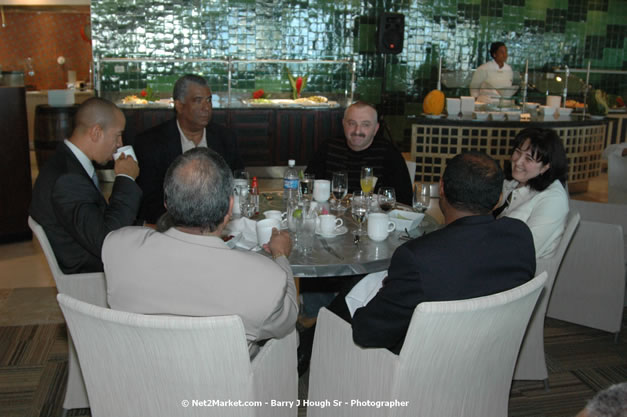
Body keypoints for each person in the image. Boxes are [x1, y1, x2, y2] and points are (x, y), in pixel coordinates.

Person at [298, 151, 535, 373]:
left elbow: (368, 333)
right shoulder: (520, 236)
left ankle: (304, 351)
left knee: (347, 302)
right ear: (499, 198)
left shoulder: (419, 257)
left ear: (441, 189)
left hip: (423, 368)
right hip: (489, 357)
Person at [102, 148, 298, 357]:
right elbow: (288, 319)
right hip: (224, 385)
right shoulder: (265, 279)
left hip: (141, 376)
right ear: (230, 207)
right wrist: (280, 256)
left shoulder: (117, 247)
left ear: (167, 204)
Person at [29, 97, 142, 274]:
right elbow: (107, 241)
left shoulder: (68, 163)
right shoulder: (67, 179)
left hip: (92, 256)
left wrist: (143, 225)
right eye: (117, 135)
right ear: (96, 132)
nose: (120, 144)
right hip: (90, 273)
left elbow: (97, 220)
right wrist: (126, 178)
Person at [134, 74, 244, 224]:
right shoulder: (151, 143)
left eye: (209, 100)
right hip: (172, 228)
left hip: (219, 224)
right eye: (198, 101)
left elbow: (237, 183)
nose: (206, 108)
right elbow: (148, 200)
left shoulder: (225, 138)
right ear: (179, 105)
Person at [305, 101, 413, 205]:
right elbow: (307, 188)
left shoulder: (389, 154)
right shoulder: (328, 147)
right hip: (332, 218)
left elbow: (404, 201)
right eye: (352, 123)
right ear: (343, 124)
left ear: (375, 129)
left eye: (365, 125)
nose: (357, 131)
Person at [493, 127, 569, 259]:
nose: (518, 162)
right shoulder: (511, 182)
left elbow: (526, 250)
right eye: (517, 152)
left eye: (528, 159)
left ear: (546, 167)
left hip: (519, 270)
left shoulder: (553, 200)